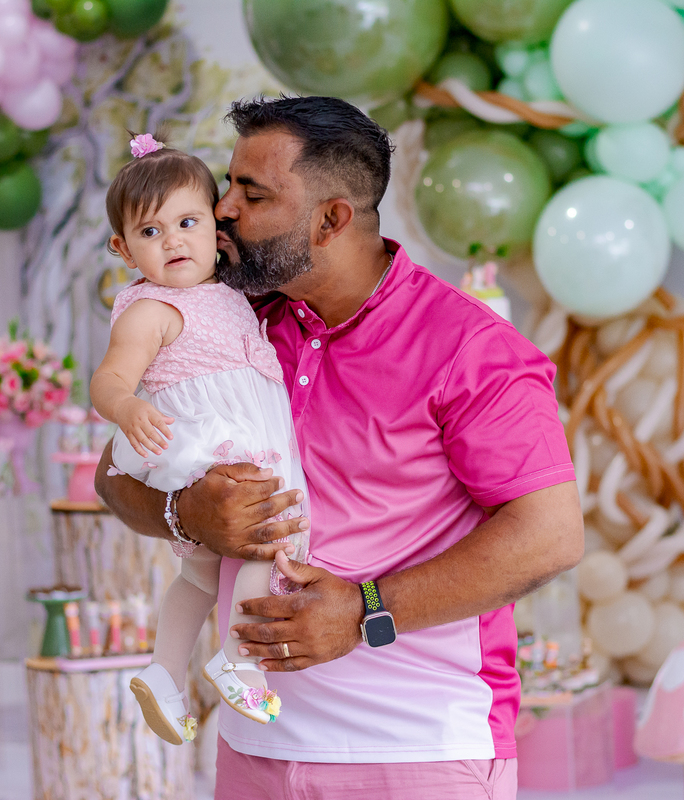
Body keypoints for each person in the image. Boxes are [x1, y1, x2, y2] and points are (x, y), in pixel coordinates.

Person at [96, 96, 584, 799]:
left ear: (331, 220)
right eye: (228, 185)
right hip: (254, 746)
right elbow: (113, 478)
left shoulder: (472, 348)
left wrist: (365, 611)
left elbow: (550, 537)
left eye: (252, 194)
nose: (222, 209)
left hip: (421, 751)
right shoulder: (231, 319)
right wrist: (187, 514)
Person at [89, 133, 309, 746]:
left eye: (187, 223)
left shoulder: (229, 293)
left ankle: (163, 673)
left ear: (216, 229)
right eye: (150, 232)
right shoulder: (150, 310)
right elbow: (107, 379)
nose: (173, 242)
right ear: (122, 248)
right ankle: (238, 661)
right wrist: (127, 405)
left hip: (243, 432)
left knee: (201, 578)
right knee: (267, 542)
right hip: (212, 443)